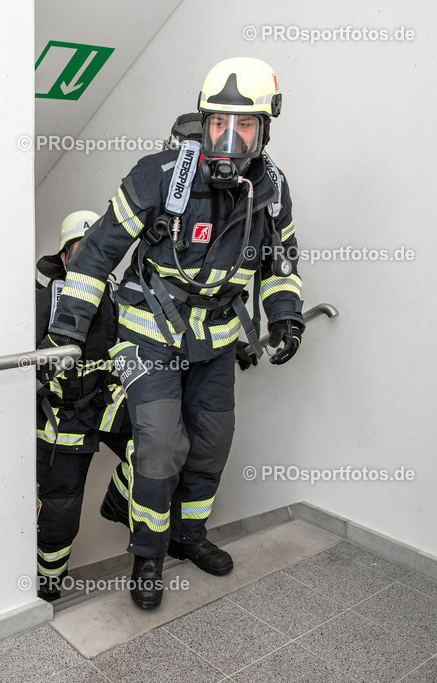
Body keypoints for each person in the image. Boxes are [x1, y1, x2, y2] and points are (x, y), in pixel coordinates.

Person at [40, 58, 305, 609]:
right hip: (148, 333)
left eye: (245, 126)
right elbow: (96, 254)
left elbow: (280, 262)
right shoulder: (158, 176)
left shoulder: (272, 189)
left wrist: (284, 314)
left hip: (217, 338)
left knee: (210, 445)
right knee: (160, 448)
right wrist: (67, 332)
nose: (228, 139)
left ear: (265, 129)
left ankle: (189, 538)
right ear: (203, 122)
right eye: (218, 125)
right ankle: (148, 557)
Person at [34, 210, 133, 602]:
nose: (92, 257)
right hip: (63, 418)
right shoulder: (47, 300)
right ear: (64, 256)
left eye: (99, 249)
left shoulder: (115, 295)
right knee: (61, 511)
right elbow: (23, 360)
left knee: (157, 448)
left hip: (108, 406)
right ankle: (47, 585)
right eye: (82, 249)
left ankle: (118, 504)